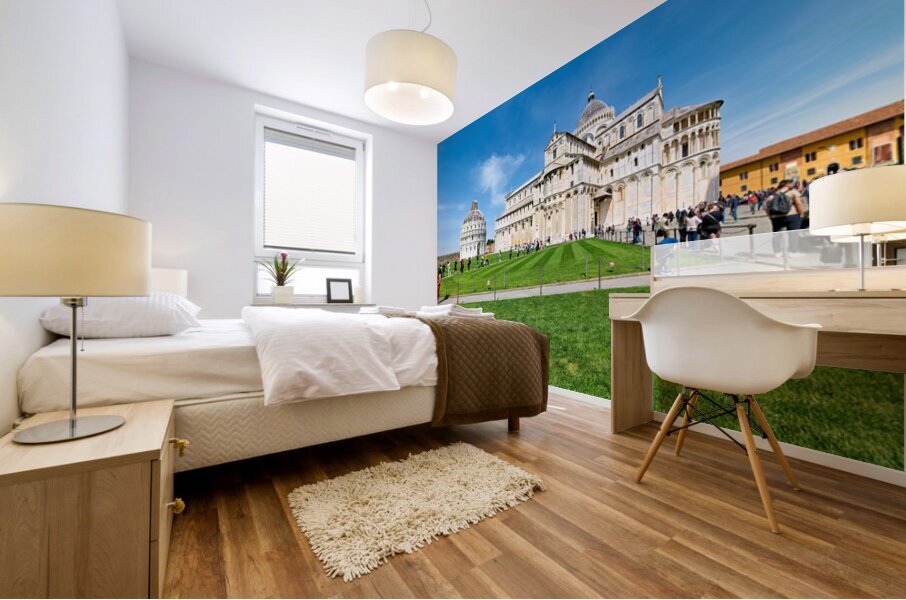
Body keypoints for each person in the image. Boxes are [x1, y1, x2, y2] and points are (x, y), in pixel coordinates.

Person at [766, 179, 805, 255]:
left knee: (777, 235)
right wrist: (801, 214)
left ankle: (777, 252)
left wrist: (770, 217)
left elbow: (766, 208)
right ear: (788, 185)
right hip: (791, 216)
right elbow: (798, 203)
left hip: (776, 217)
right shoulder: (793, 192)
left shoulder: (771, 196)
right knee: (793, 234)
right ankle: (792, 252)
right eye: (791, 184)